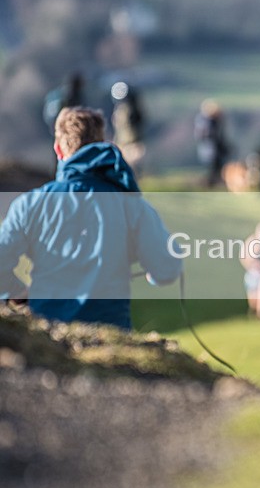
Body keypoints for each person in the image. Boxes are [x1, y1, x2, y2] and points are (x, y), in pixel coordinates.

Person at [0, 107, 182, 330]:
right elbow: (167, 269)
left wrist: (19, 293)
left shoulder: (30, 204)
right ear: (102, 143)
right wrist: (153, 274)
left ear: (58, 149)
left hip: (48, 332)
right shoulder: (130, 205)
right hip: (112, 335)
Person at [111, 81, 146, 176]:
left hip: (131, 143)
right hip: (124, 142)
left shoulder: (129, 109)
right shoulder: (122, 109)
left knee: (132, 169)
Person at [194, 99, 231, 187]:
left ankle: (215, 182)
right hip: (210, 149)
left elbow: (220, 135)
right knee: (212, 168)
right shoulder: (204, 121)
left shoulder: (216, 121)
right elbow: (202, 135)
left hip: (216, 149)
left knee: (218, 167)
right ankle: (210, 183)